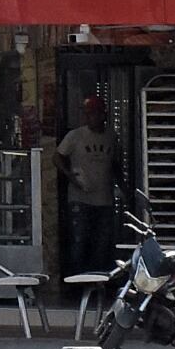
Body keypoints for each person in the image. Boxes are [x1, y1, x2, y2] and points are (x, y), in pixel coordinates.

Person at [55, 97, 118, 279]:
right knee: (79, 240)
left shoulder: (111, 136)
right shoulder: (75, 136)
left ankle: (97, 279)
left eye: (96, 114)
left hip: (104, 198)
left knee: (102, 242)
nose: (92, 118)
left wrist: (122, 188)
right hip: (80, 198)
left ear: (103, 115)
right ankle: (76, 281)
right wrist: (70, 178)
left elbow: (114, 164)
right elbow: (57, 157)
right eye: (89, 114)